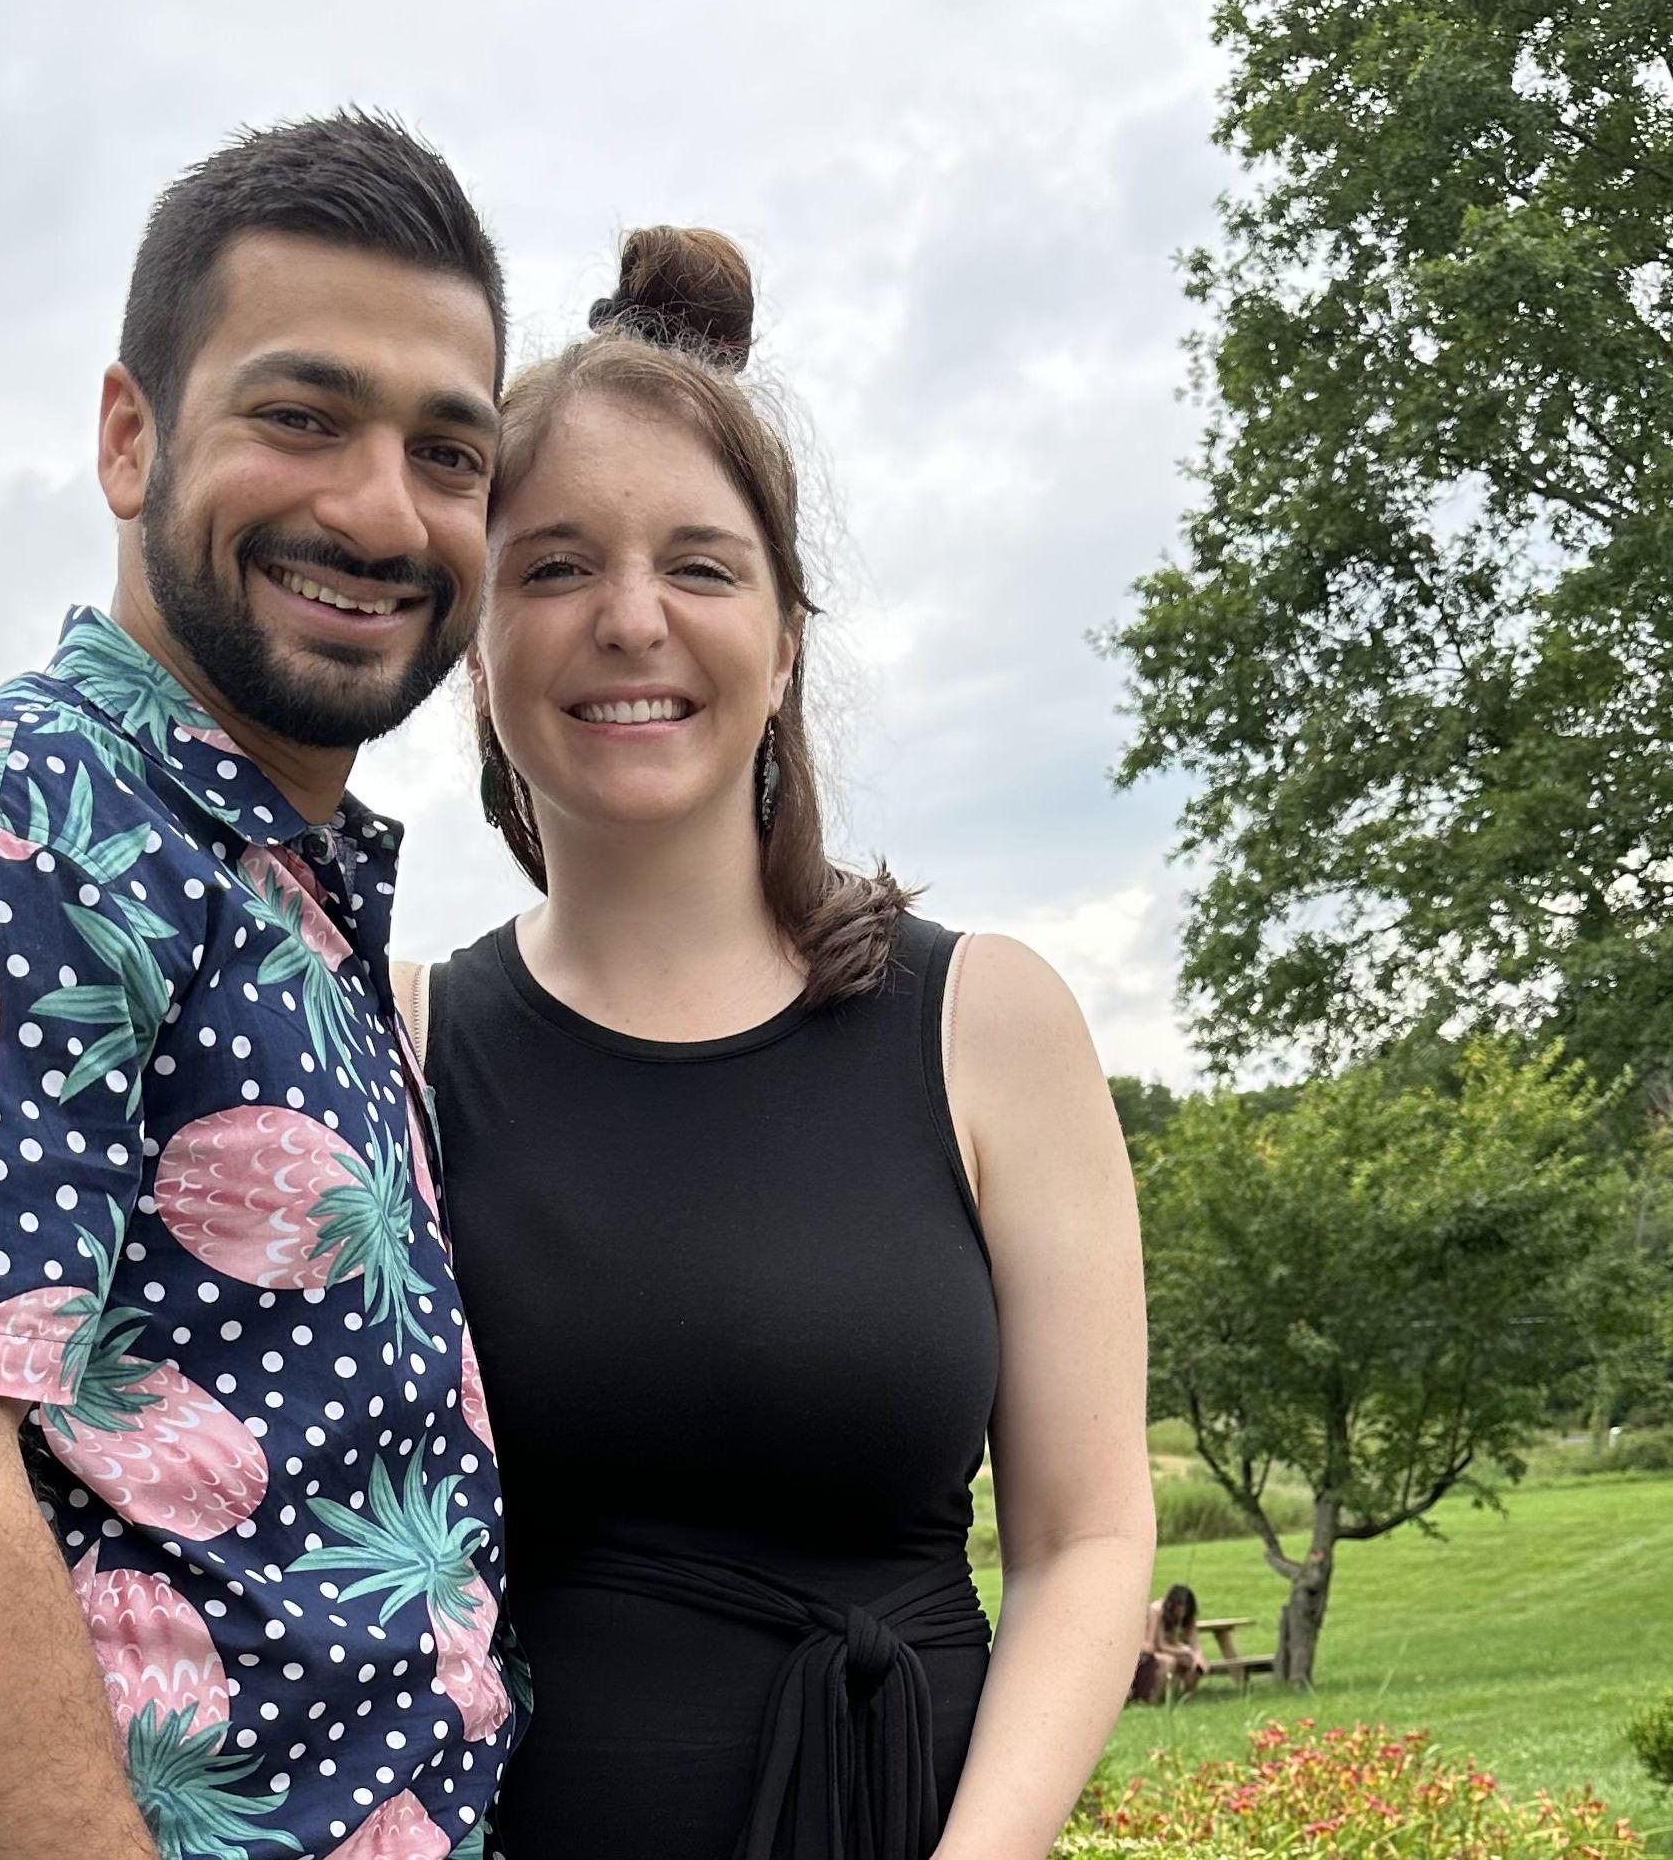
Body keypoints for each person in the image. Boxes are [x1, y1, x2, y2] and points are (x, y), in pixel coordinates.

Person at [396, 226, 1156, 1859]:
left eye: (699, 564)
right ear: (474, 642)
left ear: (785, 633)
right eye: (553, 567)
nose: (629, 619)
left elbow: (1087, 1538)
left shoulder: (987, 1024)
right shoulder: (396, 1041)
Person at [0, 113, 521, 1860]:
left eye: (447, 452)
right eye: (301, 417)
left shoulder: (275, 880)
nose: (380, 510)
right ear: (130, 437)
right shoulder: (28, 824)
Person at [1131, 1583, 1205, 1703]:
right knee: (1169, 1661)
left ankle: (1188, 1697)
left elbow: (1195, 1645)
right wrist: (1187, 1651)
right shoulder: (1158, 1610)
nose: (1182, 1613)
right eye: (1180, 1608)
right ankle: (1153, 1699)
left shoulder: (1188, 1616)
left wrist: (1198, 1659)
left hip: (1169, 1648)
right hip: (1154, 1649)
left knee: (1192, 1662)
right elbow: (1160, 1645)